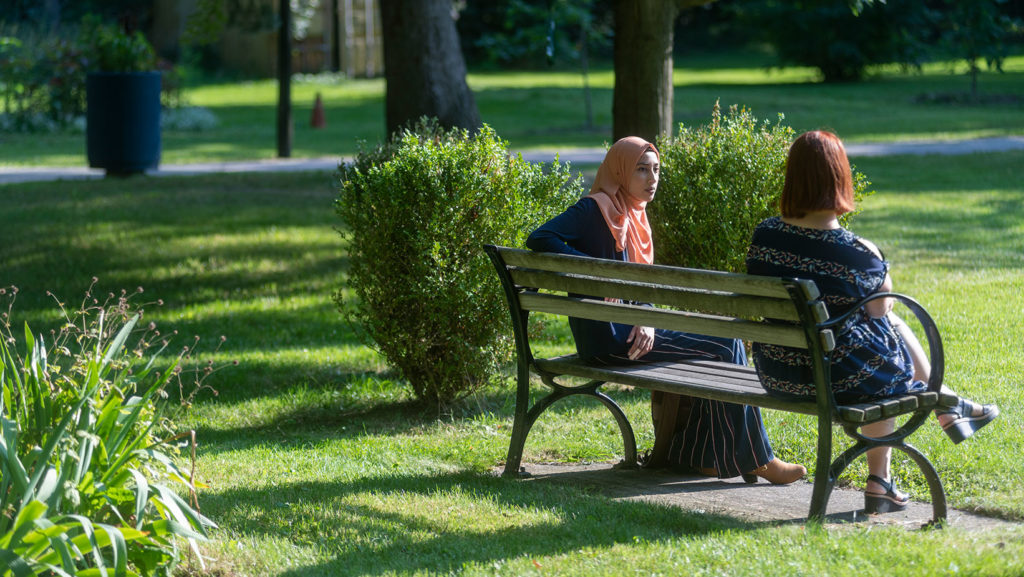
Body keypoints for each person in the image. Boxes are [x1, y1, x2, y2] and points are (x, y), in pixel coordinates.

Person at [527, 136, 806, 485]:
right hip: (610, 342)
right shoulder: (593, 209)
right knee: (723, 346)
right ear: (620, 171)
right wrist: (593, 269)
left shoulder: (634, 218)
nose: (651, 178)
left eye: (656, 170)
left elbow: (637, 285)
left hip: (627, 333)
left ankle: (701, 457)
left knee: (726, 342)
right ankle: (758, 460)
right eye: (641, 170)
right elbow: (539, 238)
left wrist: (645, 316)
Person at [746, 130, 999, 513]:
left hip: (778, 372)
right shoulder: (857, 251)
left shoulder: (765, 236)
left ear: (792, 178)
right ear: (839, 178)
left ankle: (940, 410)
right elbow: (883, 309)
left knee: (877, 339)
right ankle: (938, 408)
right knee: (885, 339)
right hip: (838, 380)